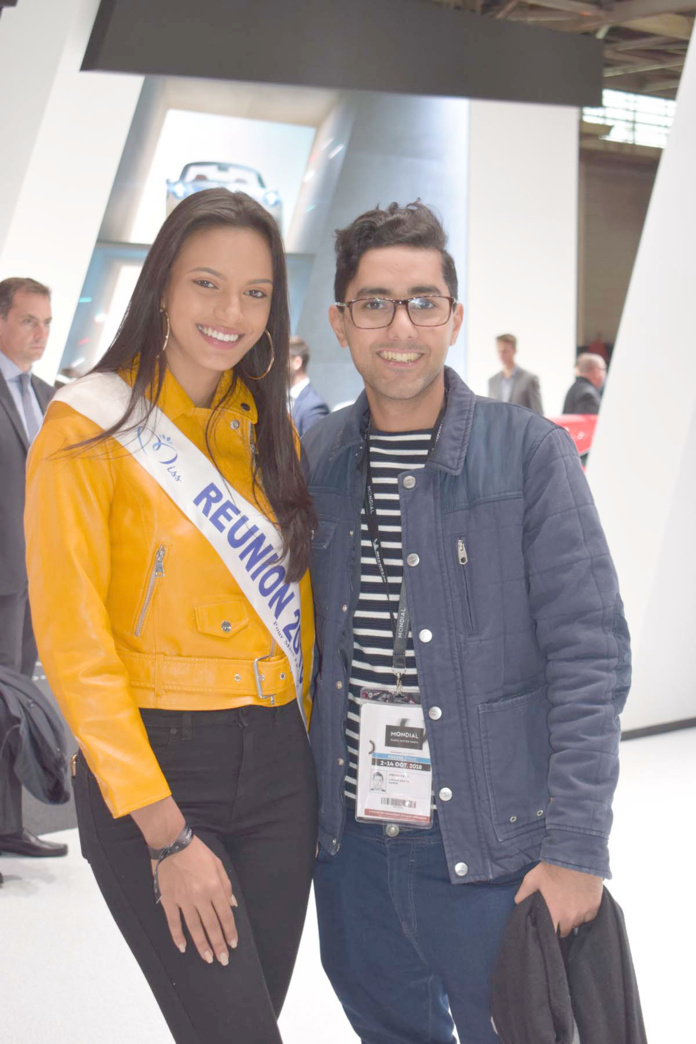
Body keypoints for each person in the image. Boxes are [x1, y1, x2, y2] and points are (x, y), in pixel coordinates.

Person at [302, 201, 631, 1044]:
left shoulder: (528, 455)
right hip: (351, 854)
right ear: (342, 322)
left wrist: (578, 850)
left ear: (455, 318)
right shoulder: (320, 459)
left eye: (423, 301)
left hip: (492, 855)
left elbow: (590, 656)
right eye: (374, 303)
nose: (399, 326)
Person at [25, 189, 318, 1043]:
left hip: (278, 767)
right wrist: (165, 837)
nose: (232, 313)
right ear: (160, 287)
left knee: (245, 1020)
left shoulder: (271, 432)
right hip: (157, 772)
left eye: (256, 293)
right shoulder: (85, 427)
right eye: (206, 284)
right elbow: (74, 646)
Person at [0, 276, 67, 862]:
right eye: (28, 320)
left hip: (30, 582)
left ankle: (9, 826)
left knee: (16, 711)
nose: (41, 333)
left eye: (46, 322)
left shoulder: (47, 397)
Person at [488, 333, 543, 414]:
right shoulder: (492, 381)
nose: (501, 355)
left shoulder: (529, 379)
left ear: (514, 350)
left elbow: (538, 413)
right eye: (499, 351)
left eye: (505, 351)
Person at [287, 334, 329, 436]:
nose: (276, 366)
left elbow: (312, 451)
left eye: (282, 360)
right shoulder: (283, 398)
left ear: (297, 363)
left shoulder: (314, 407)